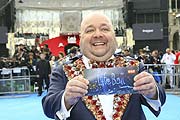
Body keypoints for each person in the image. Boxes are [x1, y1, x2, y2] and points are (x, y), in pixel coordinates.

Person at [42, 12, 166, 120]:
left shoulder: (134, 66)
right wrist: (66, 98)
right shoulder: (63, 70)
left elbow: (160, 96)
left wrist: (153, 91)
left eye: (105, 29)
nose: (98, 35)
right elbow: (48, 106)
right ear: (81, 38)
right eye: (90, 30)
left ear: (114, 36)